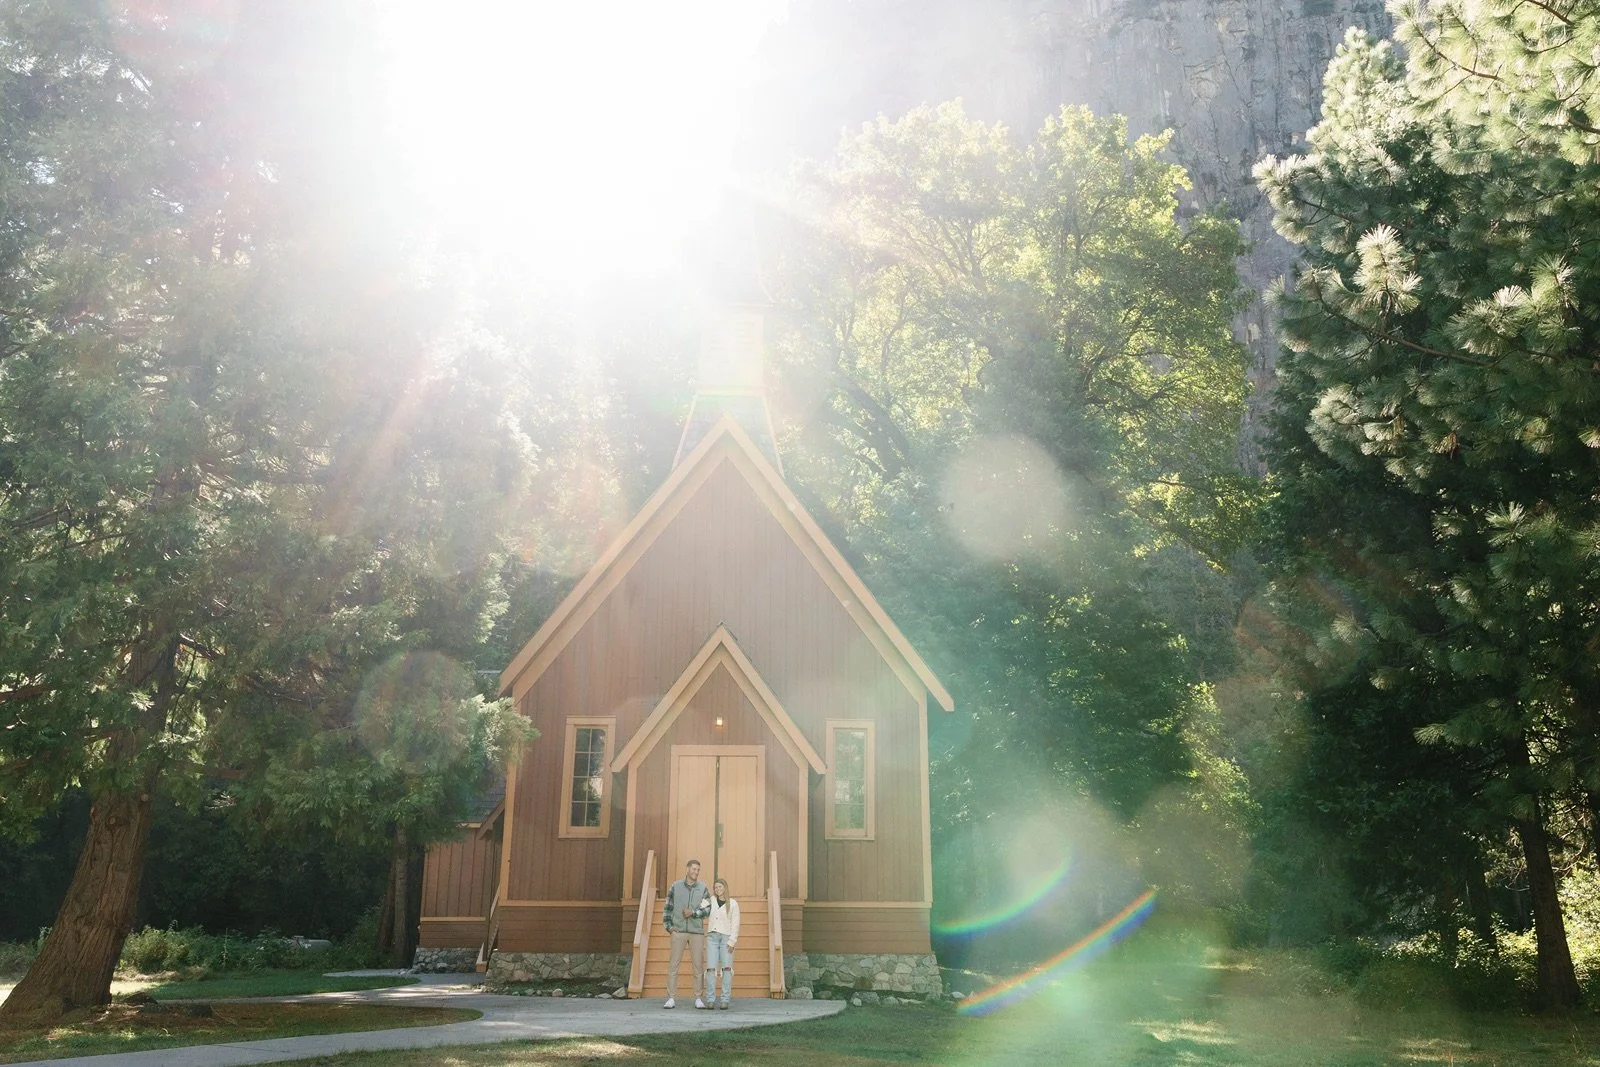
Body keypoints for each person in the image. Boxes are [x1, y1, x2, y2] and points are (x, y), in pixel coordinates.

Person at [661, 858, 711, 1008]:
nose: (696, 872)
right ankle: (671, 998)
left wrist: (693, 913)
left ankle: (698, 998)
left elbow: (708, 909)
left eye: (698, 870)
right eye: (694, 869)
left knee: (698, 966)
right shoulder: (675, 886)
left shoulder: (703, 888)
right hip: (679, 930)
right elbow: (668, 907)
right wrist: (668, 927)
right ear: (687, 869)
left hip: (696, 932)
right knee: (673, 965)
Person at [704, 877, 740, 1009]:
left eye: (720, 887)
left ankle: (725, 999)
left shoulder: (733, 904)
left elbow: (735, 924)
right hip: (712, 938)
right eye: (715, 887)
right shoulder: (711, 901)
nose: (718, 889)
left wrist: (732, 941)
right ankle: (710, 999)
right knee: (711, 969)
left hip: (726, 939)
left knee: (726, 969)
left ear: (725, 887)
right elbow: (700, 907)